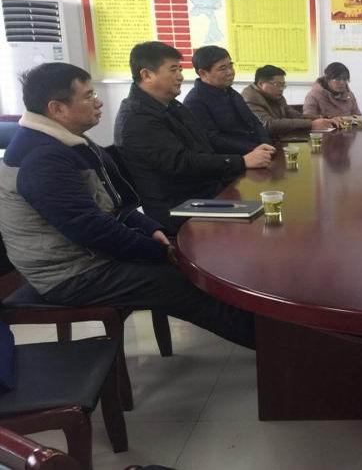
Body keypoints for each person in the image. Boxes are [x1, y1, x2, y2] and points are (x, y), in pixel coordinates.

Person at [0, 62, 254, 350]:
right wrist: (158, 251)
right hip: (71, 275)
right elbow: (90, 229)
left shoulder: (65, 141)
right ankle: (277, 349)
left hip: (89, 256)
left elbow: (115, 204)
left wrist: (151, 230)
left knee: (197, 263)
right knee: (180, 281)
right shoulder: (42, 158)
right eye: (89, 96)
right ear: (57, 109)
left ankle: (274, 338)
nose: (98, 102)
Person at [114, 41, 274, 234]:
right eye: (173, 70)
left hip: (204, 193)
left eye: (180, 69)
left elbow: (203, 146)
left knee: (270, 202)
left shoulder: (171, 106)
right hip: (181, 208)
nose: (180, 76)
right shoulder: (137, 118)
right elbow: (182, 162)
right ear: (146, 75)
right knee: (263, 222)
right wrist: (241, 161)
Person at [182, 45, 273, 154]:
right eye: (223, 68)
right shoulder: (194, 102)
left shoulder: (231, 92)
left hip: (258, 152)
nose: (230, 72)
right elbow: (212, 139)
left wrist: (265, 143)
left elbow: (254, 122)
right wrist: (254, 149)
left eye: (230, 66)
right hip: (234, 159)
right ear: (203, 73)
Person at [242, 64, 334, 140]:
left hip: (279, 140)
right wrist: (311, 124)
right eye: (277, 84)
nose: (281, 89)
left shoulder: (276, 96)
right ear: (261, 83)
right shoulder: (250, 98)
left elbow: (294, 115)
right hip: (260, 146)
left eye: (283, 85)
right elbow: (268, 125)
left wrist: (324, 118)